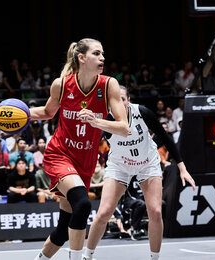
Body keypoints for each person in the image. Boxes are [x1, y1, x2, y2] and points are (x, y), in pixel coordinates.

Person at [31, 38, 129, 260]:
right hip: (60, 154)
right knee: (83, 205)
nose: (102, 58)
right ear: (82, 58)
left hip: (85, 161)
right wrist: (20, 113)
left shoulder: (108, 85)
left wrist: (96, 121)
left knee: (63, 230)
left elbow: (123, 128)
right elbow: (47, 112)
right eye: (96, 53)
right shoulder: (62, 84)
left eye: (103, 53)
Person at [84, 86, 195, 260]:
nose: (119, 102)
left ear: (128, 100)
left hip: (147, 164)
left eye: (122, 98)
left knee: (155, 212)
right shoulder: (106, 119)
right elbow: (89, 146)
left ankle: (154, 258)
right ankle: (87, 256)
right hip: (119, 165)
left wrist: (182, 167)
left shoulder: (142, 113)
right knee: (104, 212)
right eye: (115, 99)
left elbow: (164, 137)